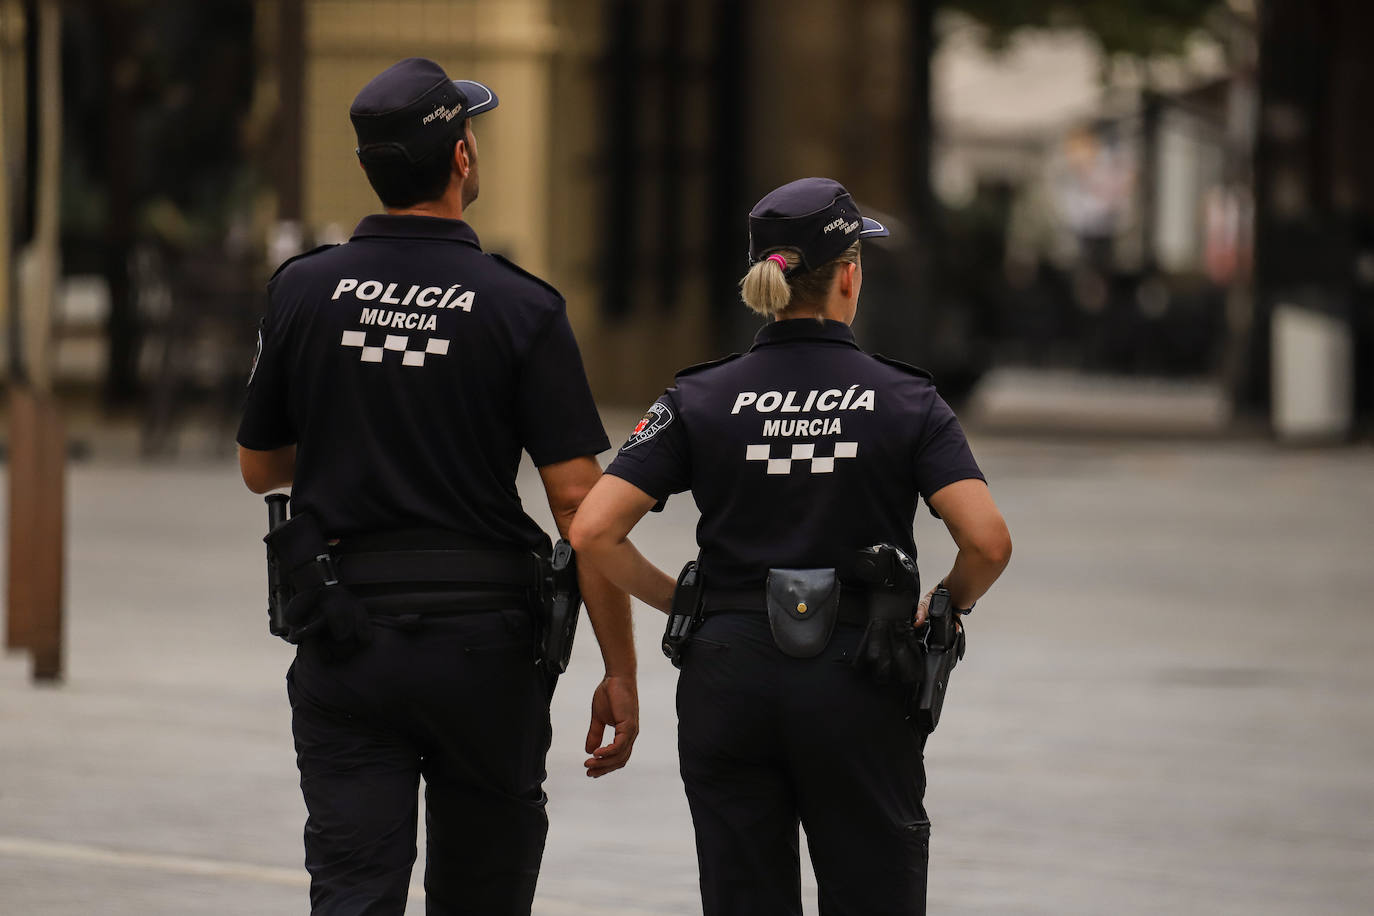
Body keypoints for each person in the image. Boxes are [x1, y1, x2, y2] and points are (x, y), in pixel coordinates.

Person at [235, 58, 638, 916]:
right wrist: (619, 666)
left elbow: (260, 468)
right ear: (460, 158)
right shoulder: (521, 306)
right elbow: (579, 505)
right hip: (486, 651)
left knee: (352, 889)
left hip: (347, 636)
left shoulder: (303, 291)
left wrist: (359, 428)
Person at [570, 177, 1011, 915]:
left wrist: (683, 599)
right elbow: (987, 541)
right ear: (848, 275)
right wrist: (947, 600)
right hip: (859, 675)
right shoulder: (905, 400)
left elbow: (592, 530)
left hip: (730, 673)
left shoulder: (699, 398)